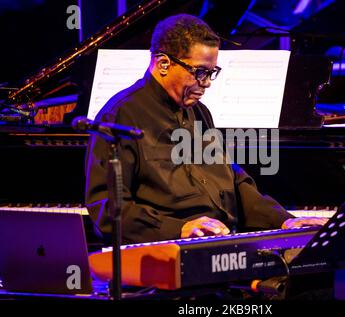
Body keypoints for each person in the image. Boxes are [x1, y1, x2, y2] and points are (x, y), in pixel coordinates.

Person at [85, 14, 326, 245]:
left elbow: (235, 182)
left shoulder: (199, 112)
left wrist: (284, 222)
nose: (207, 83)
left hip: (218, 241)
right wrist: (178, 229)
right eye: (200, 72)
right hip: (165, 250)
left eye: (212, 73)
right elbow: (106, 209)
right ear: (163, 64)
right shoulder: (119, 117)